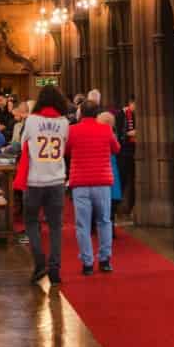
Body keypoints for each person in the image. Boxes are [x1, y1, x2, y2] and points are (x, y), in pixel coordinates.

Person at [14, 84, 70, 286]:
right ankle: (55, 269)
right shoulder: (64, 123)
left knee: (31, 223)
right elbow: (65, 145)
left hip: (35, 180)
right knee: (55, 226)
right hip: (56, 180)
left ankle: (39, 262)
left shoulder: (31, 120)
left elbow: (23, 146)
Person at [69, 103, 120, 276]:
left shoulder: (73, 130)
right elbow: (116, 148)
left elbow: (66, 150)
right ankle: (105, 261)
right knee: (104, 221)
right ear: (97, 113)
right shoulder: (105, 130)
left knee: (82, 225)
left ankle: (87, 263)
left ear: (81, 113)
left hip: (80, 183)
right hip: (102, 182)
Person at [118, 99, 138, 221]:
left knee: (134, 180)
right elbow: (120, 133)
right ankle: (121, 206)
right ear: (130, 103)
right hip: (124, 151)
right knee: (123, 180)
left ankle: (131, 206)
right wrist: (129, 134)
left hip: (134, 151)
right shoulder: (121, 114)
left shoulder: (136, 114)